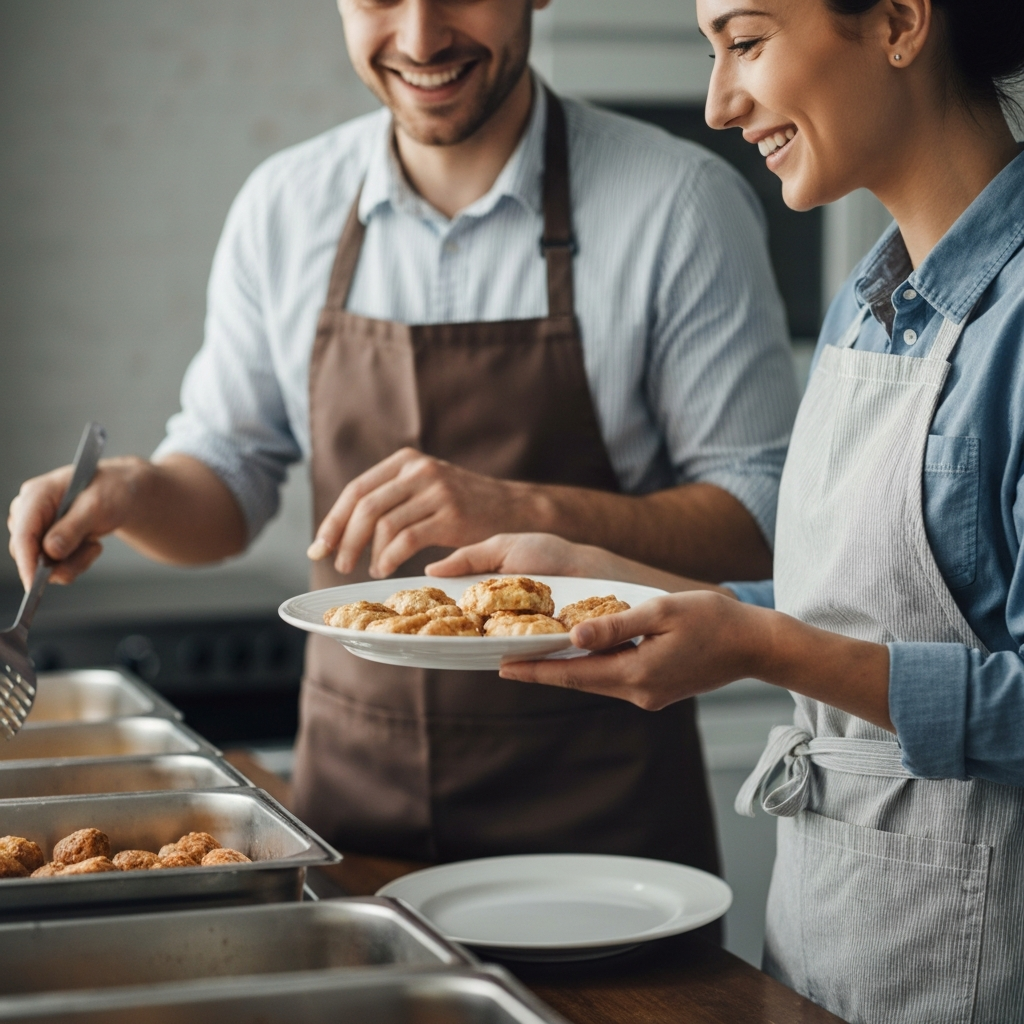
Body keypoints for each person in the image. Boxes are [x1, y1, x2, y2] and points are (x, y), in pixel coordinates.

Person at [7, 0, 799, 869]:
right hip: (356, 817)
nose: (422, 39)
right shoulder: (285, 206)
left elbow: (760, 525)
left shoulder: (681, 204)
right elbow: (227, 488)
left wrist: (519, 507)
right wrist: (133, 493)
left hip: (604, 825)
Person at [430, 0, 1024, 1018]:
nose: (716, 103)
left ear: (895, 20)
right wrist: (597, 580)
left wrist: (759, 649)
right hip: (832, 943)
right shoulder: (872, 300)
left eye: (745, 43)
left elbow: (804, 643)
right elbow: (837, 606)